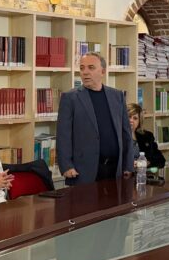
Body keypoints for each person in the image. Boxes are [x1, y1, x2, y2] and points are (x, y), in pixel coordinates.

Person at [57, 52, 134, 184]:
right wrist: (66, 166)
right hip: (84, 170)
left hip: (115, 169)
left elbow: (125, 132)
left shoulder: (117, 96)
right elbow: (63, 135)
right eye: (82, 68)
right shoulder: (70, 98)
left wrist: (128, 165)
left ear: (102, 71)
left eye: (91, 68)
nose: (85, 72)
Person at [127, 102, 166, 169]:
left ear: (139, 121)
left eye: (135, 118)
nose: (131, 120)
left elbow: (161, 160)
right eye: (129, 117)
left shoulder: (147, 136)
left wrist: (146, 163)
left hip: (142, 173)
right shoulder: (117, 137)